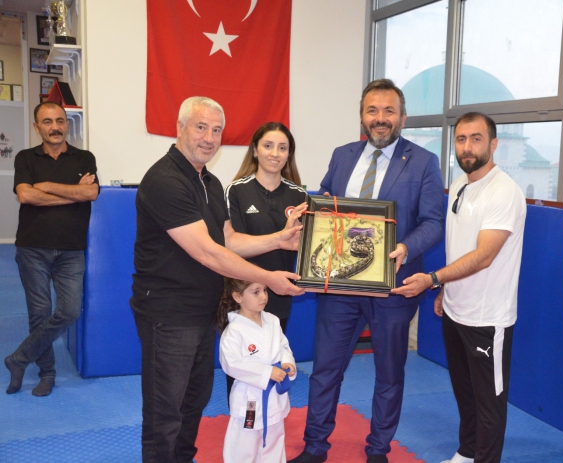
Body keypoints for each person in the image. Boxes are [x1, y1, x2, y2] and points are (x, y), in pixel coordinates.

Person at [130, 96, 304, 463]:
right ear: (180, 128)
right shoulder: (165, 180)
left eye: (217, 130)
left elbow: (228, 240)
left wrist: (278, 239)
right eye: (201, 127)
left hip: (204, 311)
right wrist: (268, 278)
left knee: (194, 402)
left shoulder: (209, 181)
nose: (209, 138)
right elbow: (208, 253)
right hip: (168, 315)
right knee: (165, 413)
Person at [288, 79, 444, 463]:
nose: (380, 118)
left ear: (403, 117)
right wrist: (308, 212)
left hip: (392, 287)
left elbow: (433, 222)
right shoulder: (342, 155)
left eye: (389, 111)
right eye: (372, 110)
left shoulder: (424, 161)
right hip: (341, 283)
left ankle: (378, 449)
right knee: (325, 369)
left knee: (389, 373)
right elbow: (325, 201)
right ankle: (315, 447)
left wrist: (406, 248)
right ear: (362, 116)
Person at [395, 112, 526, 463]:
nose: (467, 147)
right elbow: (461, 247)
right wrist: (445, 290)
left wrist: (434, 279)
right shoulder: (459, 184)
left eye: (476, 138)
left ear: (493, 144)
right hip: (456, 309)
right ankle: (467, 453)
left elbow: (484, 255)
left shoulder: (503, 191)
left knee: (489, 403)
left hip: (488, 317)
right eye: (461, 139)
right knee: (465, 392)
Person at [5, 101, 99, 397]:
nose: (55, 127)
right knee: (39, 313)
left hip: (71, 250)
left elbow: (91, 192)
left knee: (69, 311)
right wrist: (73, 194)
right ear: (37, 127)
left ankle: (19, 358)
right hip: (32, 248)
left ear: (67, 124)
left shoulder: (84, 158)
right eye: (47, 122)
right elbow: (26, 196)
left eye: (60, 120)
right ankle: (47, 373)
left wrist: (45, 185)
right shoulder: (25, 157)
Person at [224, 122, 307, 399]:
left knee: (275, 362)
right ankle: (241, 420)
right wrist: (278, 238)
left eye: (282, 148)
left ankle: (269, 421)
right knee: (242, 366)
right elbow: (231, 244)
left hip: (279, 291)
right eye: (268, 146)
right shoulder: (236, 190)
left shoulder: (299, 196)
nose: (275, 153)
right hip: (243, 292)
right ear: (255, 150)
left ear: (289, 154)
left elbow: (306, 246)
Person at [218, 278, 297, 463]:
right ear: (238, 297)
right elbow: (231, 363)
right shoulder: (235, 330)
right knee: (243, 447)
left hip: (274, 395)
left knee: (274, 440)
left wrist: (287, 363)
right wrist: (267, 372)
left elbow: (283, 347)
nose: (263, 297)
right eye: (256, 292)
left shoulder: (272, 320)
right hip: (249, 399)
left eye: (265, 290)